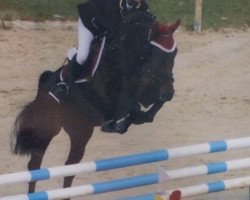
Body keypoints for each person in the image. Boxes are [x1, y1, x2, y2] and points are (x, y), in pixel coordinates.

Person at [49, 0, 150, 102]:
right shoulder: (114, 3)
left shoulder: (143, 7)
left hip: (107, 30)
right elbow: (113, 28)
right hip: (89, 23)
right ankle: (64, 85)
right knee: (83, 57)